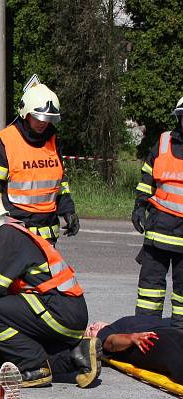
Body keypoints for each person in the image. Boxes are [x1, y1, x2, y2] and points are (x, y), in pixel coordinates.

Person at [0, 187, 100, 389]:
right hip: (64, 311)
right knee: (4, 358)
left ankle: (34, 366)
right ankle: (77, 355)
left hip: (58, 311)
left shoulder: (8, 236)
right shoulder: (15, 232)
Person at [0, 78, 79, 244]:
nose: (43, 123)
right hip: (16, 233)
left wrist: (68, 212)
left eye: (47, 118)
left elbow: (59, 183)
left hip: (47, 236)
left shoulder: (53, 141)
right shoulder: (4, 142)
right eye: (38, 117)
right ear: (25, 113)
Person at [131, 97, 183, 327]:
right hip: (158, 231)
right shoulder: (163, 142)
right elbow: (147, 177)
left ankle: (179, 338)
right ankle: (144, 332)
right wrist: (140, 205)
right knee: (149, 291)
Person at [86, 316, 183, 382]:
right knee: (171, 351)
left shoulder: (120, 323)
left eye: (92, 324)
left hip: (173, 328)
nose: (93, 327)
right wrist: (131, 338)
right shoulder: (105, 333)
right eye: (90, 332)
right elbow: (111, 343)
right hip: (151, 340)